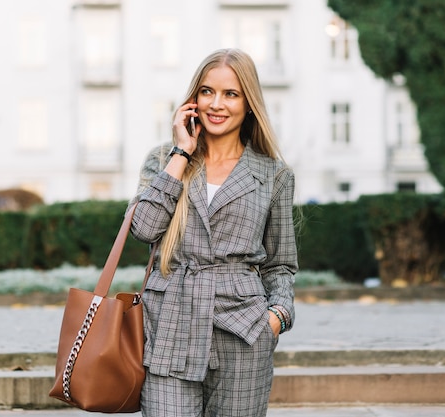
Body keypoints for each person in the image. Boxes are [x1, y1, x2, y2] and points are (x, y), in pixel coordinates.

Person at [127, 48, 297, 417]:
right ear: (192, 100)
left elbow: (281, 264)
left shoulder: (274, 175)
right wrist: (181, 153)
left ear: (249, 103)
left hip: (244, 331)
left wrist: (278, 316)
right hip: (170, 325)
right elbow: (143, 229)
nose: (216, 104)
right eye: (207, 92)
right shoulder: (163, 160)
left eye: (230, 94)